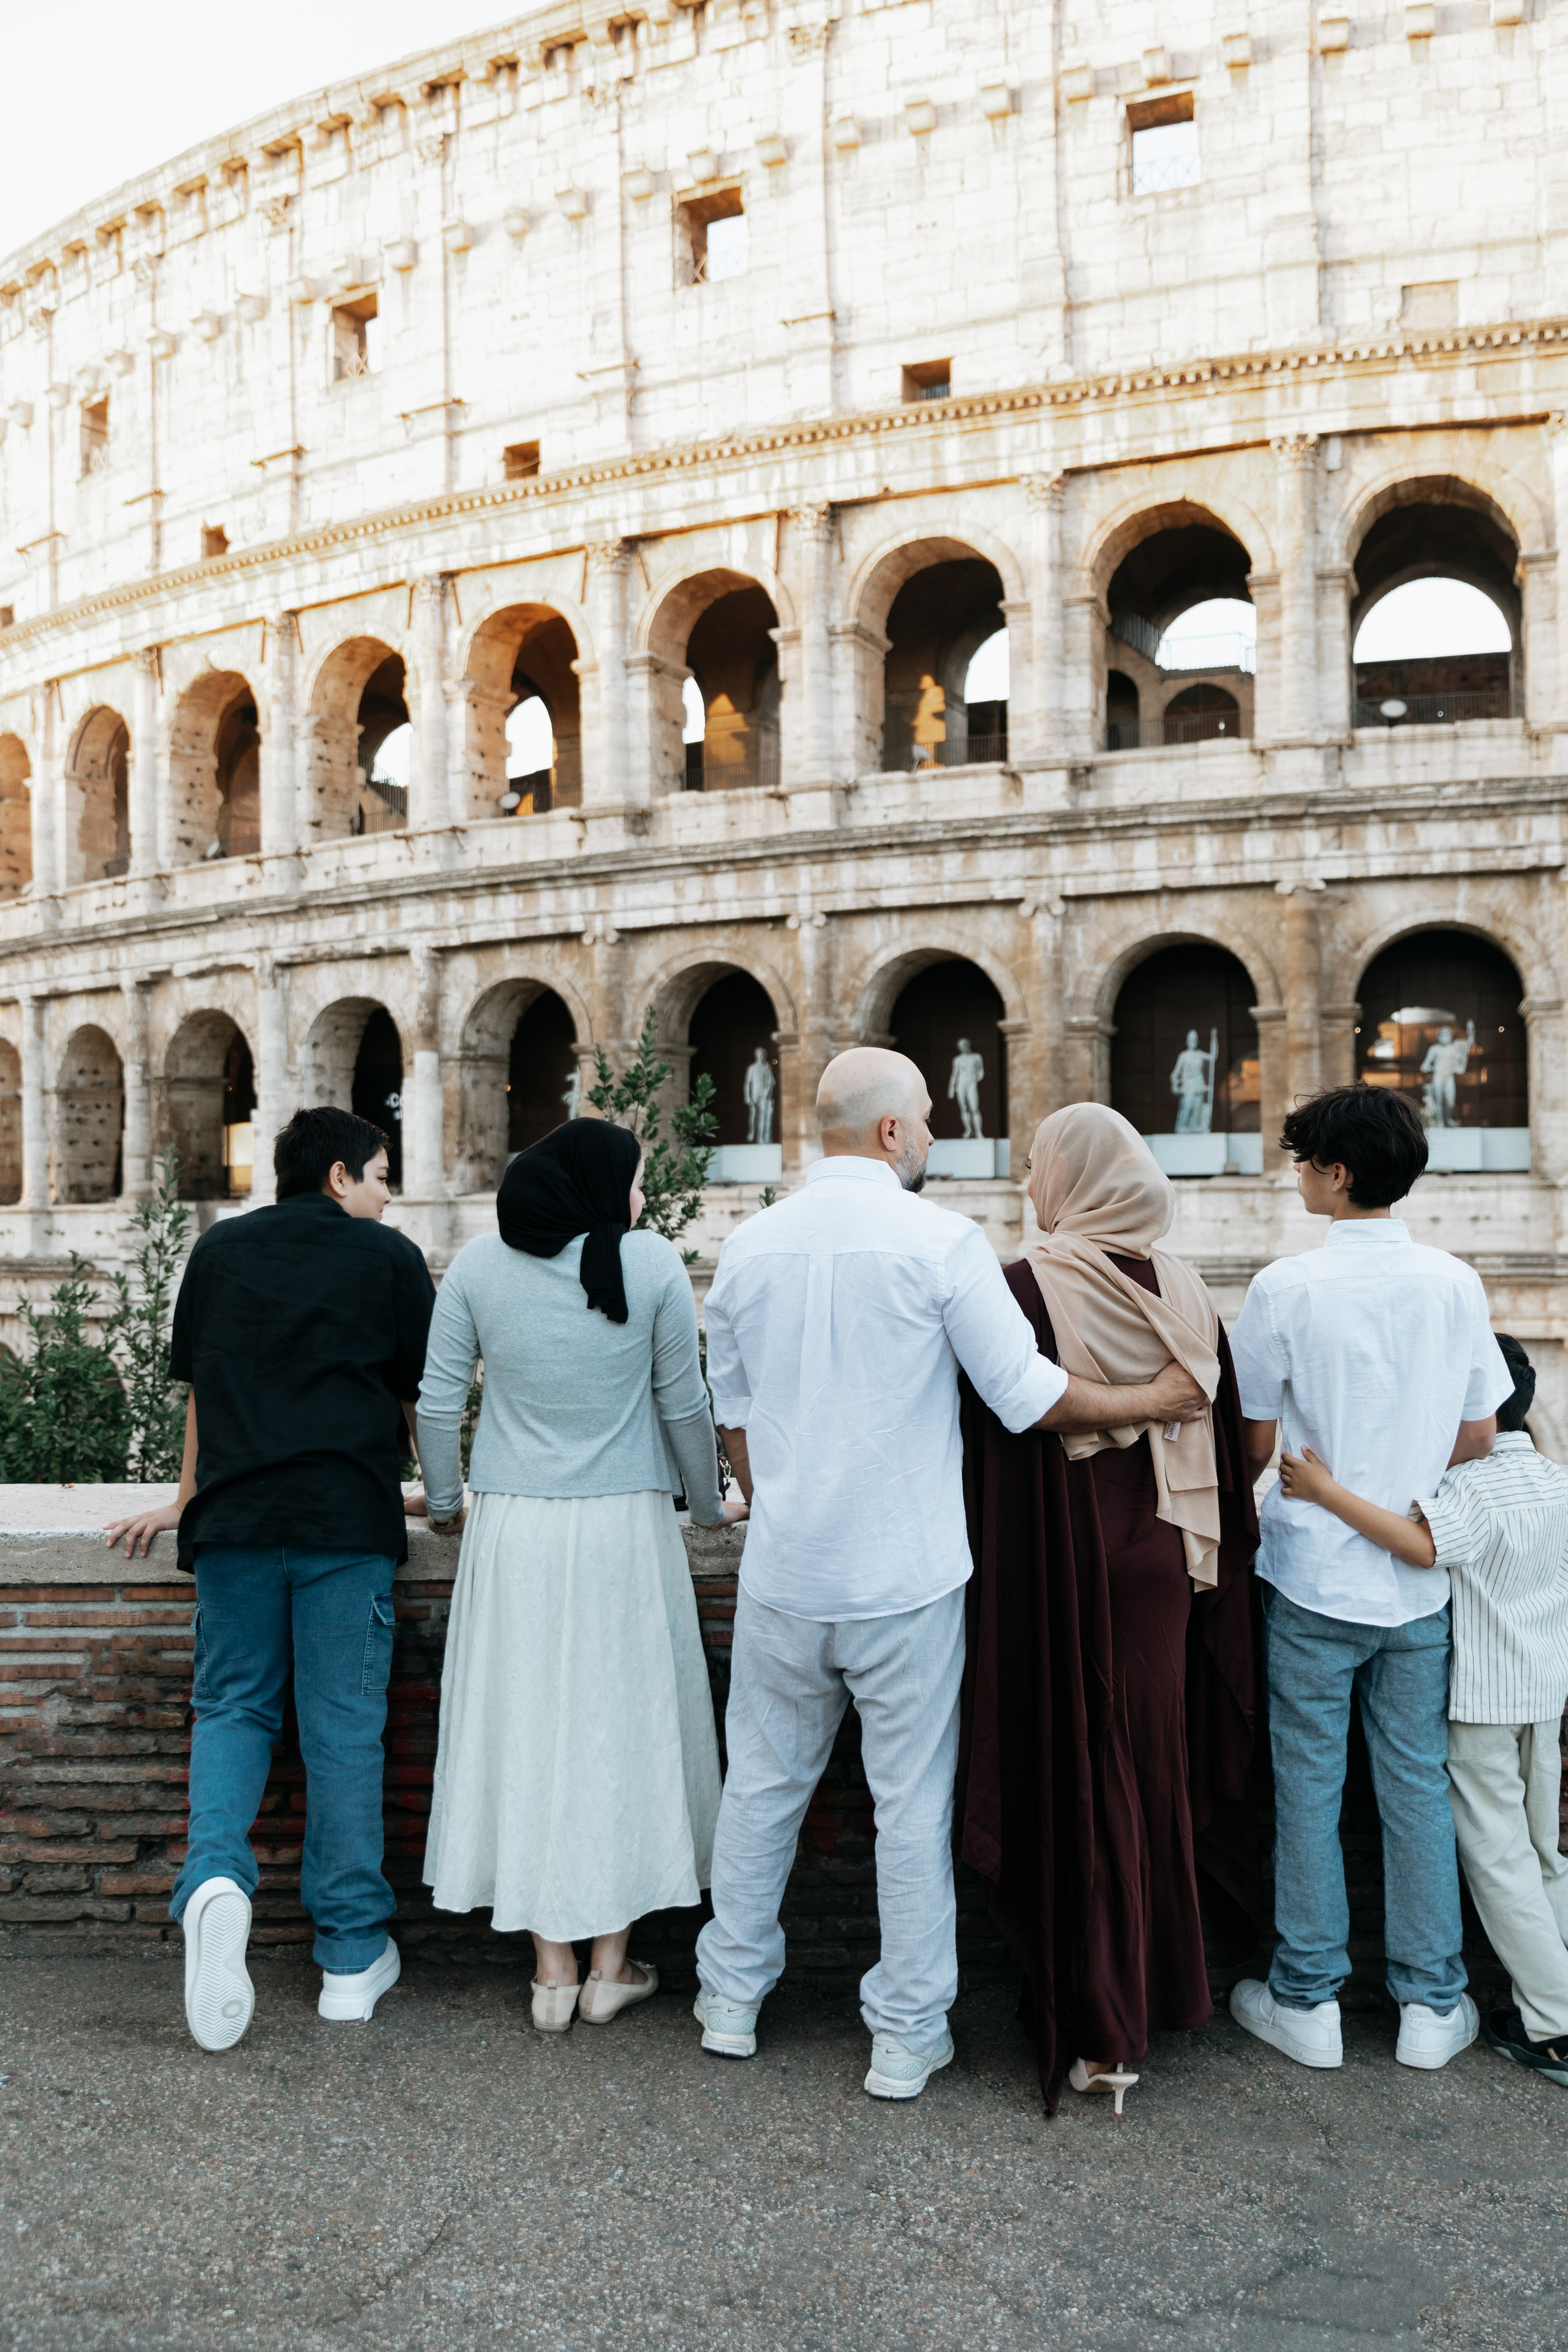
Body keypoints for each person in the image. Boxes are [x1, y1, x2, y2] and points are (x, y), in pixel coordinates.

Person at [695, 1047, 1208, 2100]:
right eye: (925, 1120)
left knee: (760, 1787)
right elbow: (1028, 1397)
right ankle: (906, 2031)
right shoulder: (941, 1243)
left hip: (788, 1570)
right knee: (911, 1803)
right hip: (908, 1576)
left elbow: (733, 1413)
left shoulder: (746, 1248)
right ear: (890, 1134)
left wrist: (782, 1498)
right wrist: (1158, 1401)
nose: (934, 1135)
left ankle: (729, 2000)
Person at [105, 1107, 439, 2056]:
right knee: (343, 1732)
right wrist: (443, 1496)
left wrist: (184, 1499)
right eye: (380, 1175)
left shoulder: (218, 1252)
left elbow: (205, 1389)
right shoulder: (389, 1259)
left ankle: (214, 1877)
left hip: (236, 1524)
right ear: (339, 1177)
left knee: (232, 1713)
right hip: (344, 1523)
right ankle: (348, 1959)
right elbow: (419, 1397)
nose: (387, 1194)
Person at [957, 1102, 1261, 2115]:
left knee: (1089, 1783)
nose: (1031, 1185)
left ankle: (1104, 2027)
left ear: (1079, 1180)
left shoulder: (1025, 1287)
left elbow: (997, 1429)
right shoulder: (1188, 1290)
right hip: (1170, 1562)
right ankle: (1161, 1989)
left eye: (1041, 1166)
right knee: (1153, 1777)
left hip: (1073, 1561)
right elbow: (1222, 1438)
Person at [416, 1119, 746, 2035]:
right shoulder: (652, 1267)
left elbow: (440, 1399)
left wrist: (445, 1503)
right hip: (625, 1533)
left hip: (513, 1529)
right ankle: (611, 1966)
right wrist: (712, 1510)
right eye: (637, 1180)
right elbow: (686, 1403)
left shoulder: (479, 1267)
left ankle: (550, 1976)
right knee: (623, 1736)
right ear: (602, 1186)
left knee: (526, 1732)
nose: (641, 1197)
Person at [1227, 1082, 1514, 2073]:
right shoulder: (1454, 1283)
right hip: (1417, 1581)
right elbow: (1480, 1436)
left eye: (1304, 1160)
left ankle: (1308, 1997)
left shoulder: (1285, 1288)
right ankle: (1434, 2002)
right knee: (1417, 1791)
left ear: (1338, 1174)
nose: (1296, 1175)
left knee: (1307, 1790)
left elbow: (1253, 1439)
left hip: (1311, 1576)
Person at [1277, 1333, 1568, 2090]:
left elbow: (1418, 1546)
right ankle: (1492, 1996)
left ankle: (1556, 2020)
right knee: (1544, 1856)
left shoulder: (1468, 1491)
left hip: (1481, 1706)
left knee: (1500, 1863)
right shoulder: (1552, 1479)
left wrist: (1325, 1492)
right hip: (1543, 1699)